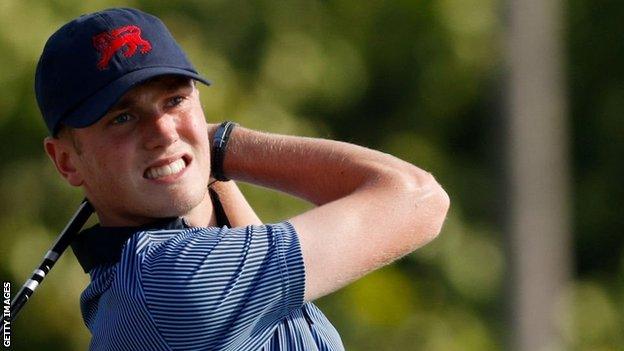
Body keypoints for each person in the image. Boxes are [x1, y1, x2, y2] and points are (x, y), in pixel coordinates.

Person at [36, 7, 450, 351]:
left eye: (176, 100)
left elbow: (233, 232)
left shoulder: (149, 275)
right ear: (67, 162)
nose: (163, 131)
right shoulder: (169, 283)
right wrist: (221, 144)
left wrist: (194, 159)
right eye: (122, 118)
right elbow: (418, 198)